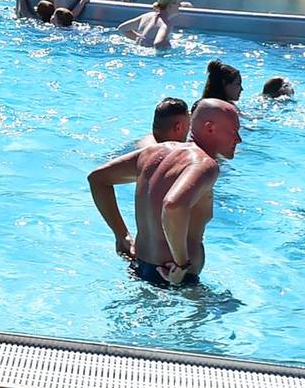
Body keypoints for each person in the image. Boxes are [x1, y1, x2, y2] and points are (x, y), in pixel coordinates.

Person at [84, 98, 242, 287]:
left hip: (139, 269)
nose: (239, 139)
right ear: (209, 128)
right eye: (234, 131)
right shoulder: (204, 164)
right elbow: (173, 205)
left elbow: (98, 179)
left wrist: (122, 235)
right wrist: (181, 265)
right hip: (174, 280)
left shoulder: (152, 153)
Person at [117, 0, 187, 50]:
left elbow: (122, 28)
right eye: (178, 3)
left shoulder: (147, 16)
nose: (180, 5)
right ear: (171, 5)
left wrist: (141, 39)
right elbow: (158, 44)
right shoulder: (165, 24)